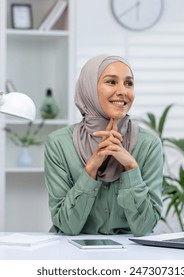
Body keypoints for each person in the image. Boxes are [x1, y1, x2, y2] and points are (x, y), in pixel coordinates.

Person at [44, 54, 163, 237]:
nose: (123, 91)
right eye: (111, 82)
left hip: (132, 255)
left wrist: (130, 167)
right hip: (70, 253)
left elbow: (144, 227)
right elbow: (67, 226)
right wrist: (91, 167)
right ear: (89, 88)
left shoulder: (148, 144)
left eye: (129, 83)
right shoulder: (59, 144)